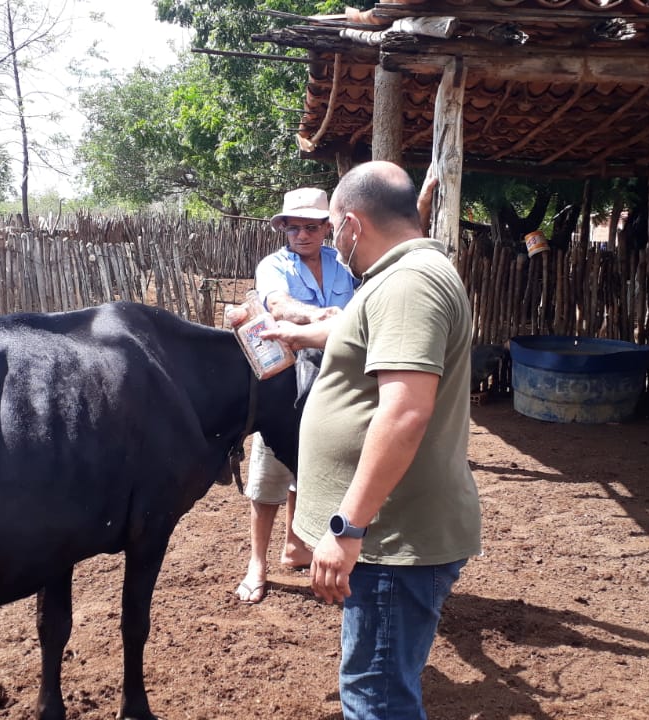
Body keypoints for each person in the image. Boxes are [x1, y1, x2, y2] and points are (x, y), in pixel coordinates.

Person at [264, 161, 480, 720]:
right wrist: (293, 332)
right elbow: (349, 328)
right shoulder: (397, 277)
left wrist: (347, 527)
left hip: (390, 539)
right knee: (376, 679)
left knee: (376, 696)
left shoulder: (409, 284)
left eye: (335, 228)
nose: (334, 243)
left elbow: (404, 413)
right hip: (389, 535)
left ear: (354, 224)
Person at [232, 187, 357, 605]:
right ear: (282, 229)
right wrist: (319, 316)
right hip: (286, 380)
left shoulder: (343, 265)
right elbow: (279, 305)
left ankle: (294, 545)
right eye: (292, 227)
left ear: (327, 227)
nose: (300, 235)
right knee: (269, 473)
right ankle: (256, 564)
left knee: (315, 464)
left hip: (335, 377)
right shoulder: (274, 265)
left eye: (310, 226)